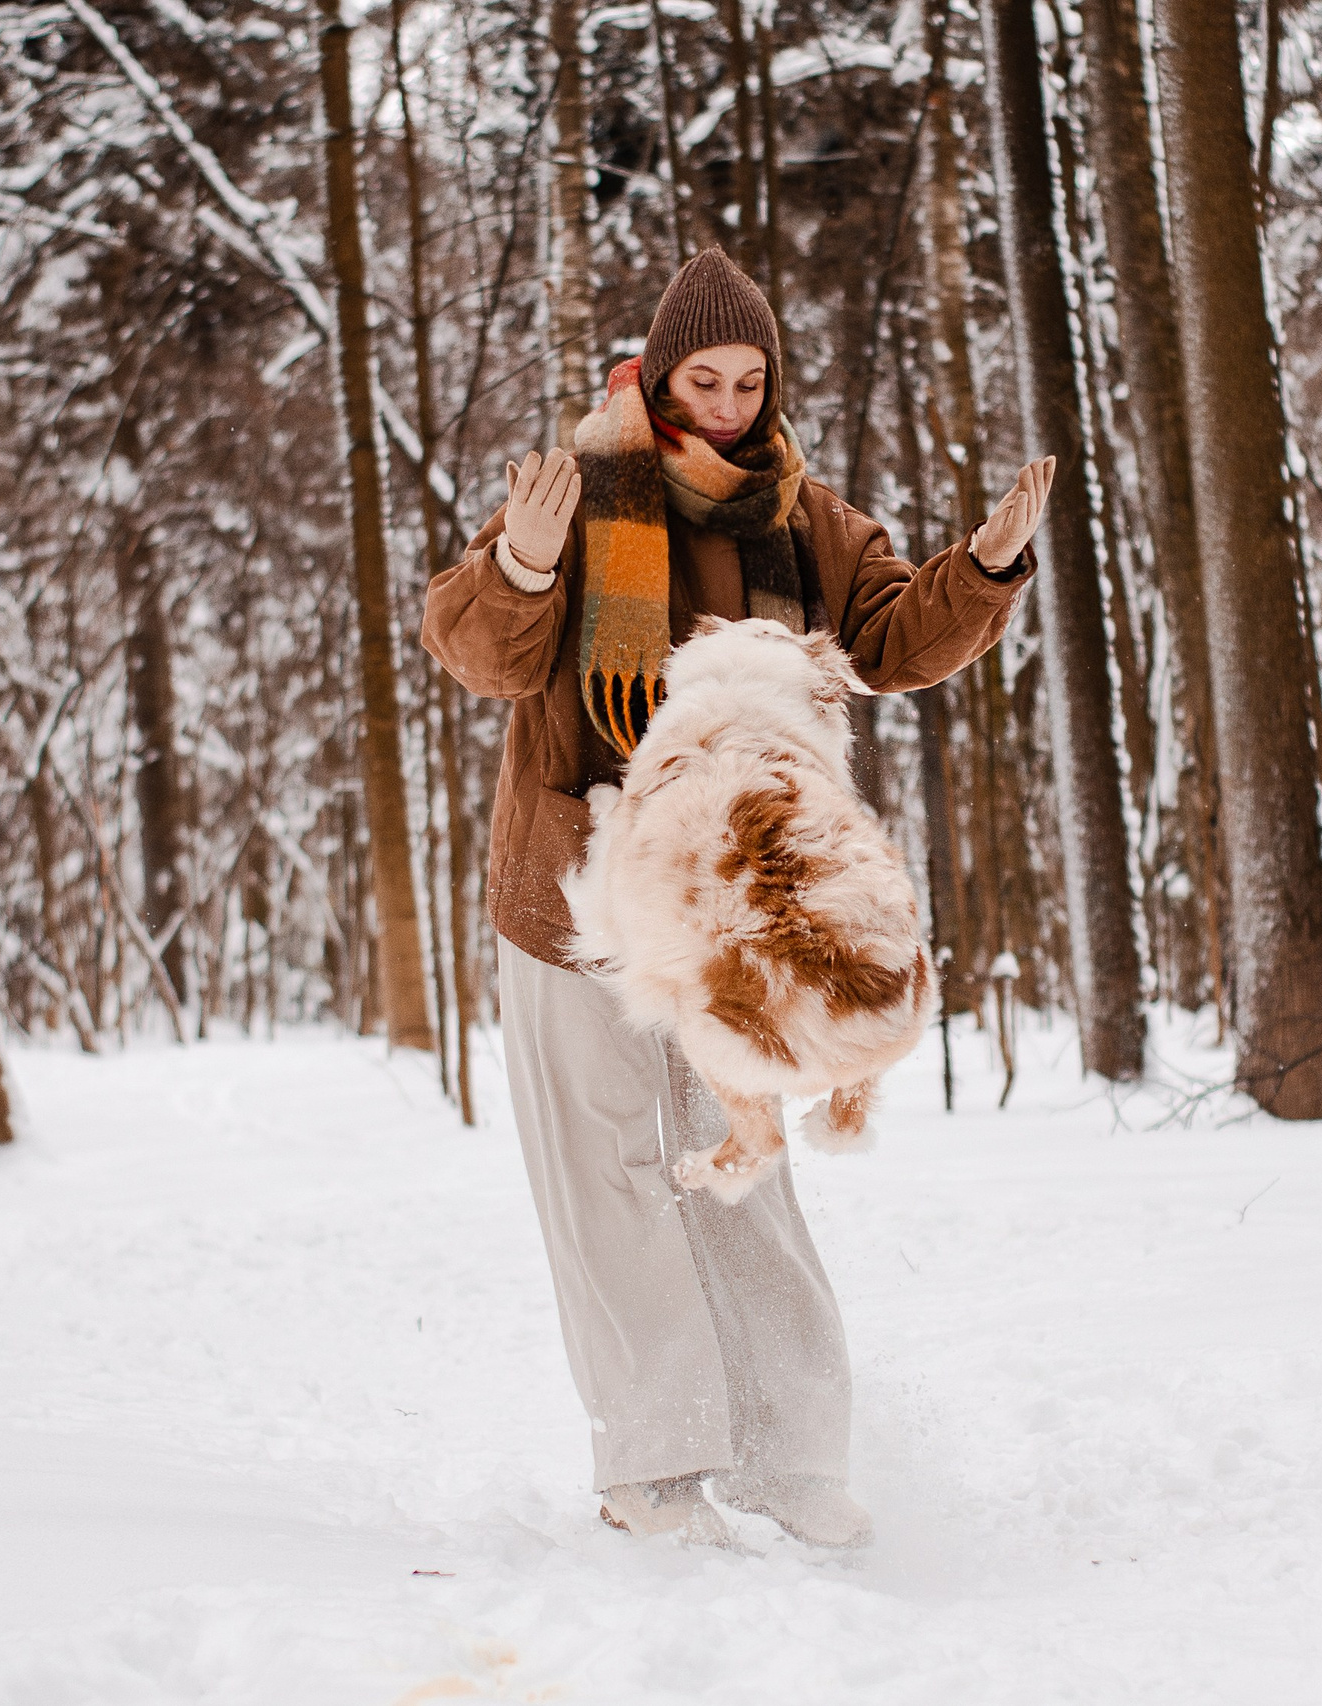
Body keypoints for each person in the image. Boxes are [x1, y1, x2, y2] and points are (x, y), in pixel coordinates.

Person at [421, 247, 1052, 1550]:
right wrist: (526, 566)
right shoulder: (585, 494)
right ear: (658, 381)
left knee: (741, 1163)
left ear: (769, 385)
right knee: (606, 1170)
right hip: (578, 892)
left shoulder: (800, 513)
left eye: (744, 379)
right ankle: (654, 1468)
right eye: (700, 378)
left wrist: (984, 569)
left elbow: (884, 636)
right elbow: (480, 651)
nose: (723, 401)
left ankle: (792, 1453)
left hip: (734, 908)